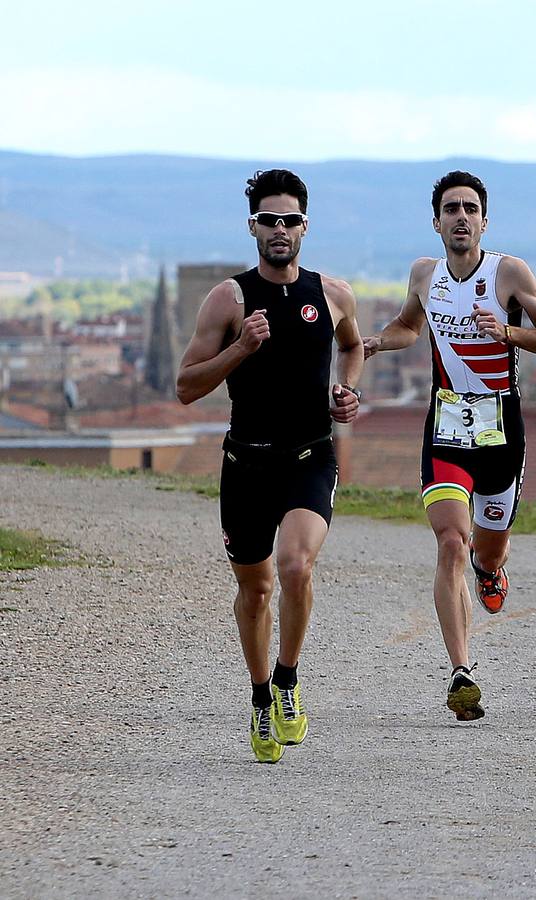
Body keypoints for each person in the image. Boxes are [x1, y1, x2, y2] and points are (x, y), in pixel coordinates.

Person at [177, 169, 364, 762]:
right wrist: (240, 349)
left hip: (310, 456)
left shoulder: (332, 294)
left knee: (296, 565)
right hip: (246, 465)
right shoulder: (228, 299)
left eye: (290, 220)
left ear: (305, 226)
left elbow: (353, 346)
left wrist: (346, 389)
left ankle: (287, 681)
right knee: (255, 592)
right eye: (269, 220)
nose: (279, 230)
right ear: (253, 226)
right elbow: (184, 387)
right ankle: (260, 697)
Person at [362, 170, 536, 721]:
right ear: (436, 221)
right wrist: (380, 341)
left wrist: (508, 333)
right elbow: (410, 325)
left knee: (487, 547)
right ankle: (461, 671)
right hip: (447, 426)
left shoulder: (509, 272)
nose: (460, 217)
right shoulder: (424, 274)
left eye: (470, 208)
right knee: (451, 539)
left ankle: (490, 568)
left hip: (502, 428)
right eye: (450, 209)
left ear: (483, 220)